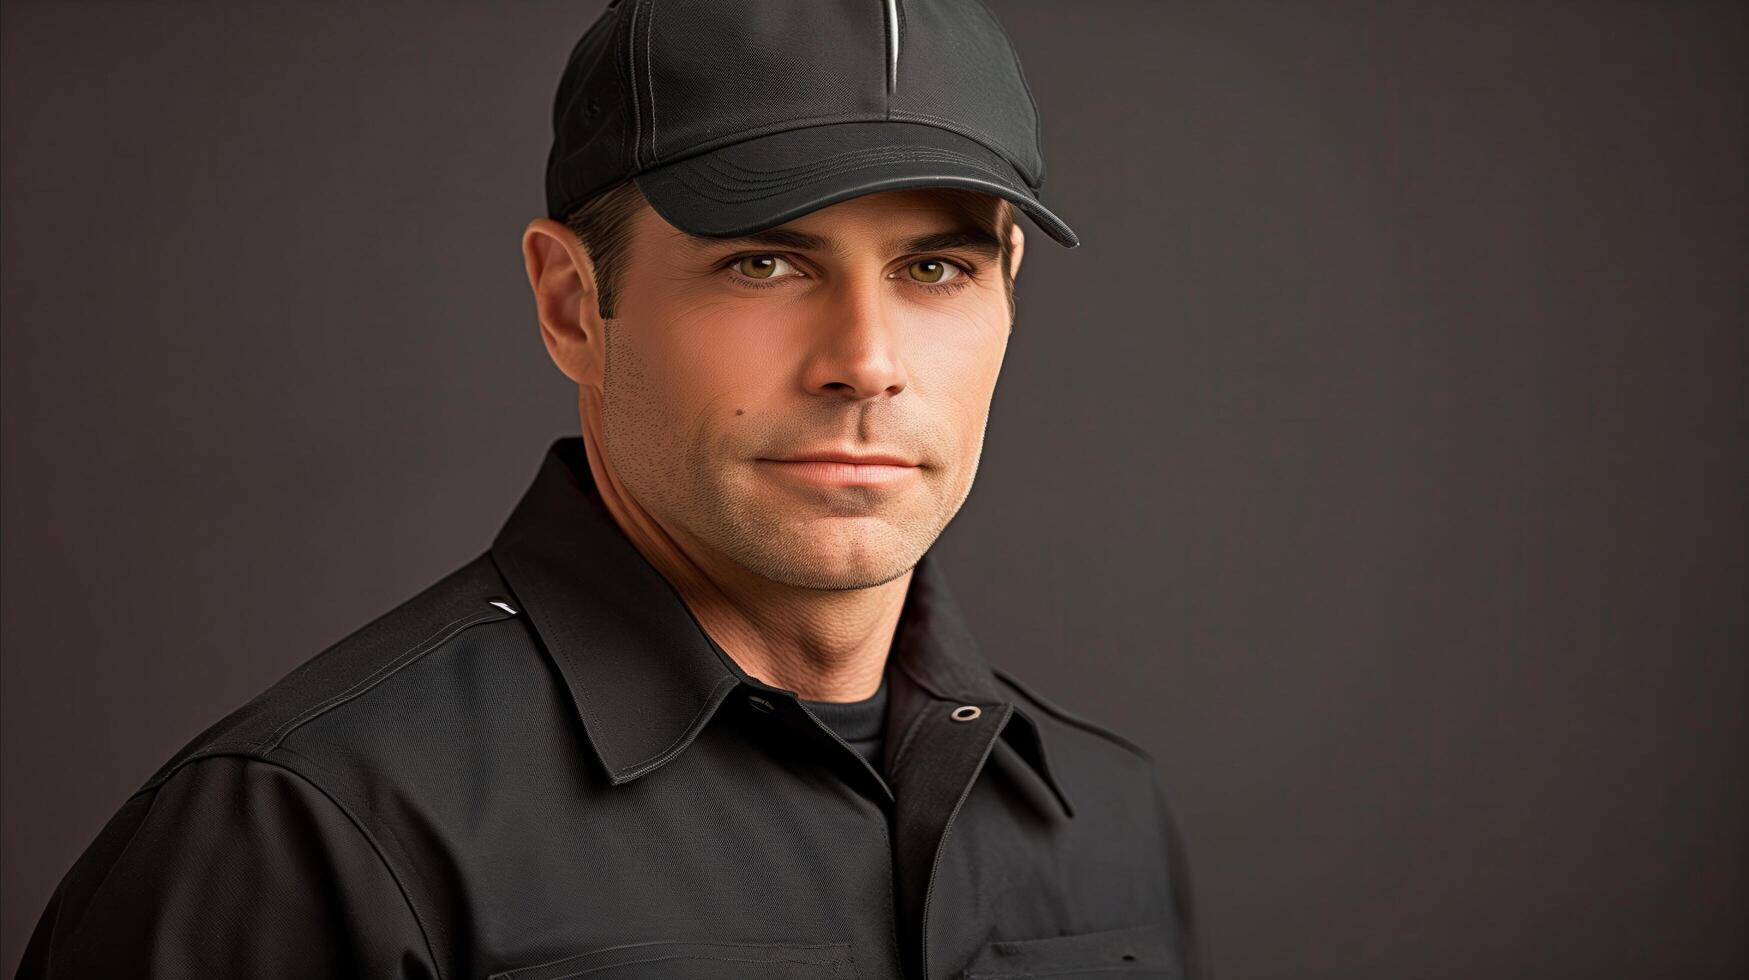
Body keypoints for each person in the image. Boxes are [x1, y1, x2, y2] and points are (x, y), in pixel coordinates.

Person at [17, 1, 1200, 977]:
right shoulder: (307, 837)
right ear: (573, 304)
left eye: (935, 267)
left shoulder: (1107, 817)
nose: (867, 360)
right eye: (765, 260)